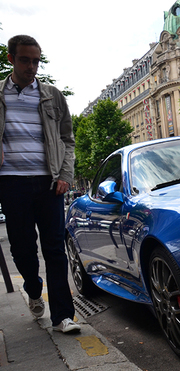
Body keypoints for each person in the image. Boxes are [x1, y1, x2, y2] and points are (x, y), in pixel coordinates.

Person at [0, 35, 80, 333]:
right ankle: (34, 290)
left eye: (36, 60)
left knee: (55, 250)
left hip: (50, 183)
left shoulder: (52, 96)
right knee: (22, 250)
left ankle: (63, 316)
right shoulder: (0, 95)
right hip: (10, 183)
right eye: (25, 60)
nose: (32, 66)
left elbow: (68, 140)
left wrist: (65, 176)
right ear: (11, 59)